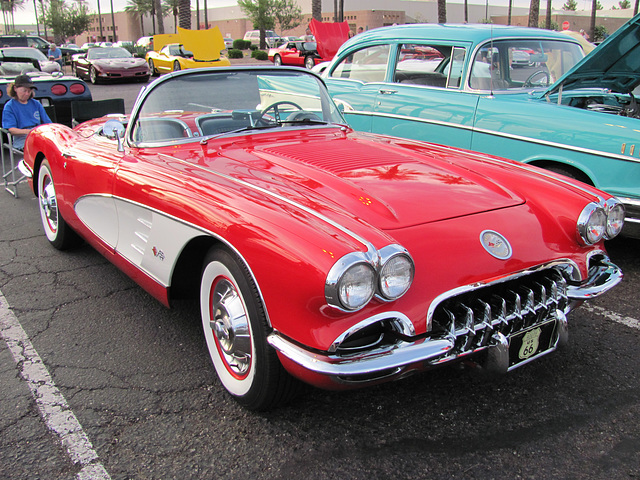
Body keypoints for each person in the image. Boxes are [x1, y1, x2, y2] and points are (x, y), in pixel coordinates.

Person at [2, 75, 52, 150]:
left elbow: (48, 123)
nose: (27, 94)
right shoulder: (10, 106)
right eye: (24, 91)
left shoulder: (36, 103)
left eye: (29, 91)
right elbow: (11, 130)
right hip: (22, 139)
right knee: (40, 148)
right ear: (15, 89)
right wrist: (30, 131)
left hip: (39, 135)